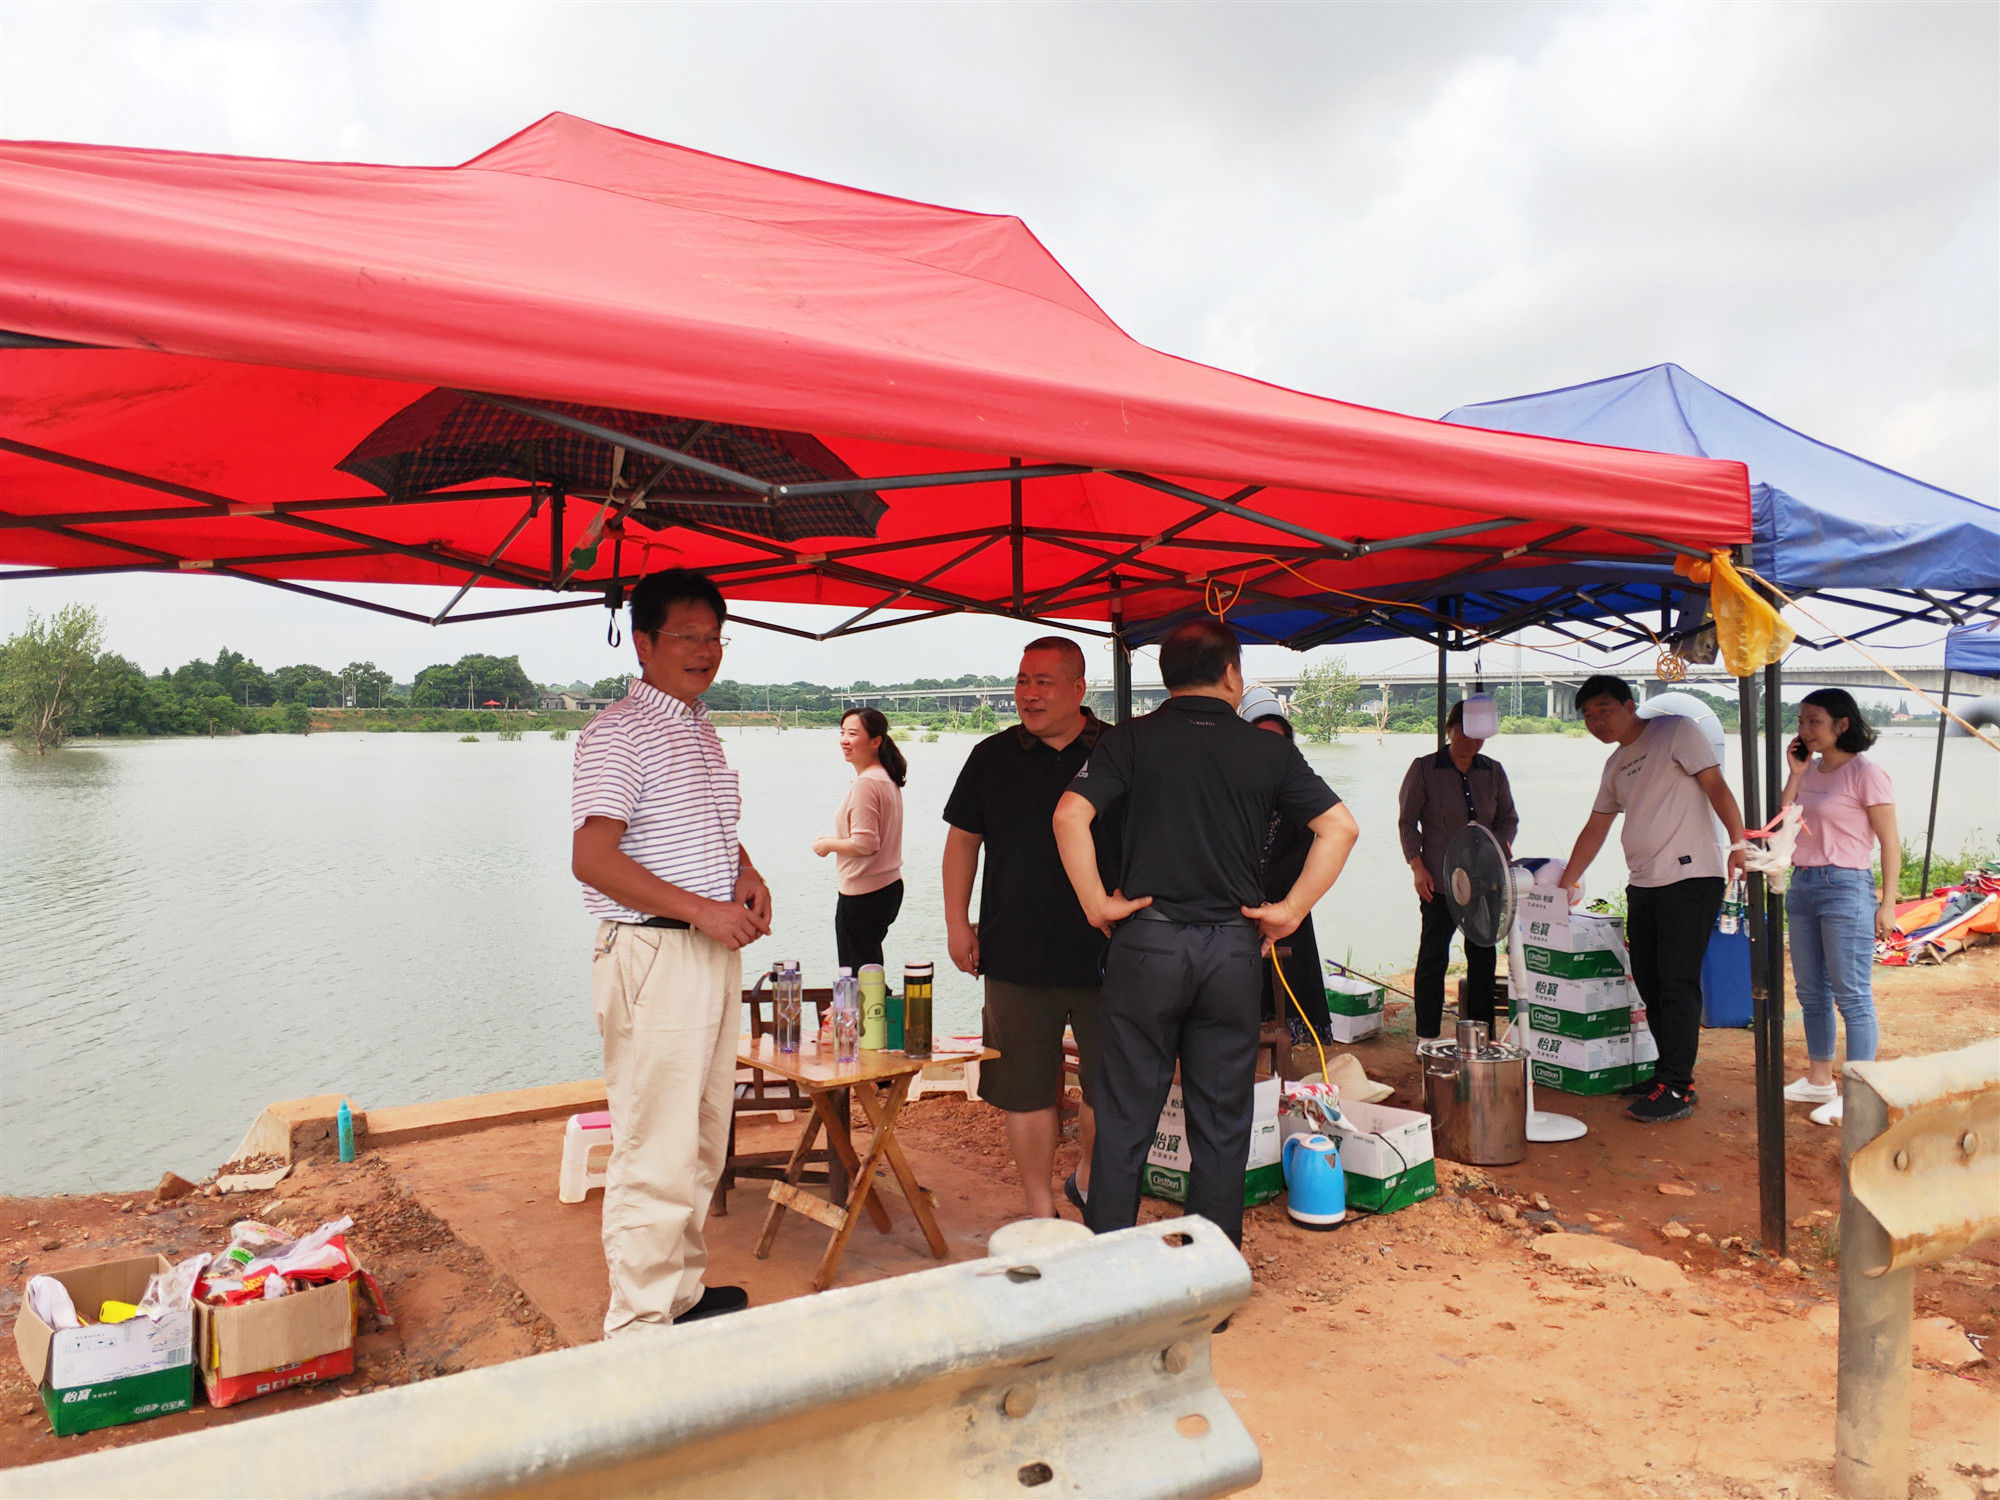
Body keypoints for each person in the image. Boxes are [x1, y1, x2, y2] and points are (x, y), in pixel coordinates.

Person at [1053, 621, 1359, 1247]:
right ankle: (1209, 1282)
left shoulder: (1132, 739)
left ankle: (1107, 1273)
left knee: (1125, 1116)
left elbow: (1069, 814)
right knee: (1221, 1123)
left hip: (1147, 946)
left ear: (1167, 676)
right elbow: (1340, 828)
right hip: (1229, 949)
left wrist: (1096, 903)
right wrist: (1290, 909)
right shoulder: (1267, 749)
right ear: (1231, 675)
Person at [570, 568, 771, 1335]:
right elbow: (593, 858)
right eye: (686, 635)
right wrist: (703, 913)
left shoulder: (696, 724)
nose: (705, 650)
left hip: (707, 946)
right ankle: (642, 1322)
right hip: (656, 953)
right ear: (644, 643)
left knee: (701, 1133)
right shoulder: (619, 731)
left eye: (714, 635)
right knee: (655, 1144)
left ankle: (680, 1291)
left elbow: (706, 830)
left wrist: (746, 875)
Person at [943, 637, 1117, 1219]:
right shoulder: (991, 756)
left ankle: (1090, 1182)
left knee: (1107, 1089)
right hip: (1014, 950)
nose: (1029, 694)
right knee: (1025, 1089)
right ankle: (1041, 1211)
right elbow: (962, 843)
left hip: (1110, 952)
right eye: (1022, 681)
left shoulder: (1123, 750)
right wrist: (956, 923)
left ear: (1077, 689)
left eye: (1043, 681)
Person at [1558, 675, 1748, 1124]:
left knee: (1678, 984)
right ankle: (1666, 1074)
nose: (1596, 721)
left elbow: (1715, 785)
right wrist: (1567, 880)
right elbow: (1597, 826)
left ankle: (1679, 1087)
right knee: (1649, 982)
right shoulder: (1615, 764)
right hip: (1642, 883)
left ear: (1629, 703)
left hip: (1690, 878)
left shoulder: (1676, 730)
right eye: (1587, 715)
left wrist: (1738, 844)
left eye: (1604, 709)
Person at [1779, 688, 1898, 1128]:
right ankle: (1818, 1079)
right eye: (1801, 721)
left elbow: (1890, 842)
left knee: (1852, 994)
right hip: (1804, 884)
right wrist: (1795, 770)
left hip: (1846, 886)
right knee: (1811, 991)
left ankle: (1858, 1093)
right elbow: (1785, 817)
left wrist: (1886, 903)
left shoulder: (1866, 773)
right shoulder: (1809, 768)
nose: (1805, 730)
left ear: (1841, 724)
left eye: (1814, 721)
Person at [1396, 699, 1519, 1040]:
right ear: (1450, 729)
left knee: (1482, 958)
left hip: (1484, 883)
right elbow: (1407, 822)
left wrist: (1501, 846)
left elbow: (1508, 819)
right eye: (1463, 730)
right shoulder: (1423, 769)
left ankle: (1481, 1036)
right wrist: (1417, 867)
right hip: (1439, 881)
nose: (1471, 739)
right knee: (1433, 957)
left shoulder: (1493, 770)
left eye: (1479, 733)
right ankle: (1427, 1036)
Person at [1238, 686, 1332, 1045]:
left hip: (1287, 908)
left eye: (1277, 743)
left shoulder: (1302, 791)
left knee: (1290, 994)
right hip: (1240, 910)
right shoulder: (1231, 790)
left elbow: (1316, 849)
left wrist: (1280, 902)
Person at [813, 707, 906, 970]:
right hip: (886, 888)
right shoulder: (886, 778)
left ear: (875, 741)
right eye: (842, 732)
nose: (844, 739)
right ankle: (876, 1007)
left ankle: (866, 1010)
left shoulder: (867, 783)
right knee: (869, 967)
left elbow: (865, 843)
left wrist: (826, 844)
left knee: (857, 973)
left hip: (864, 892)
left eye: (852, 734)